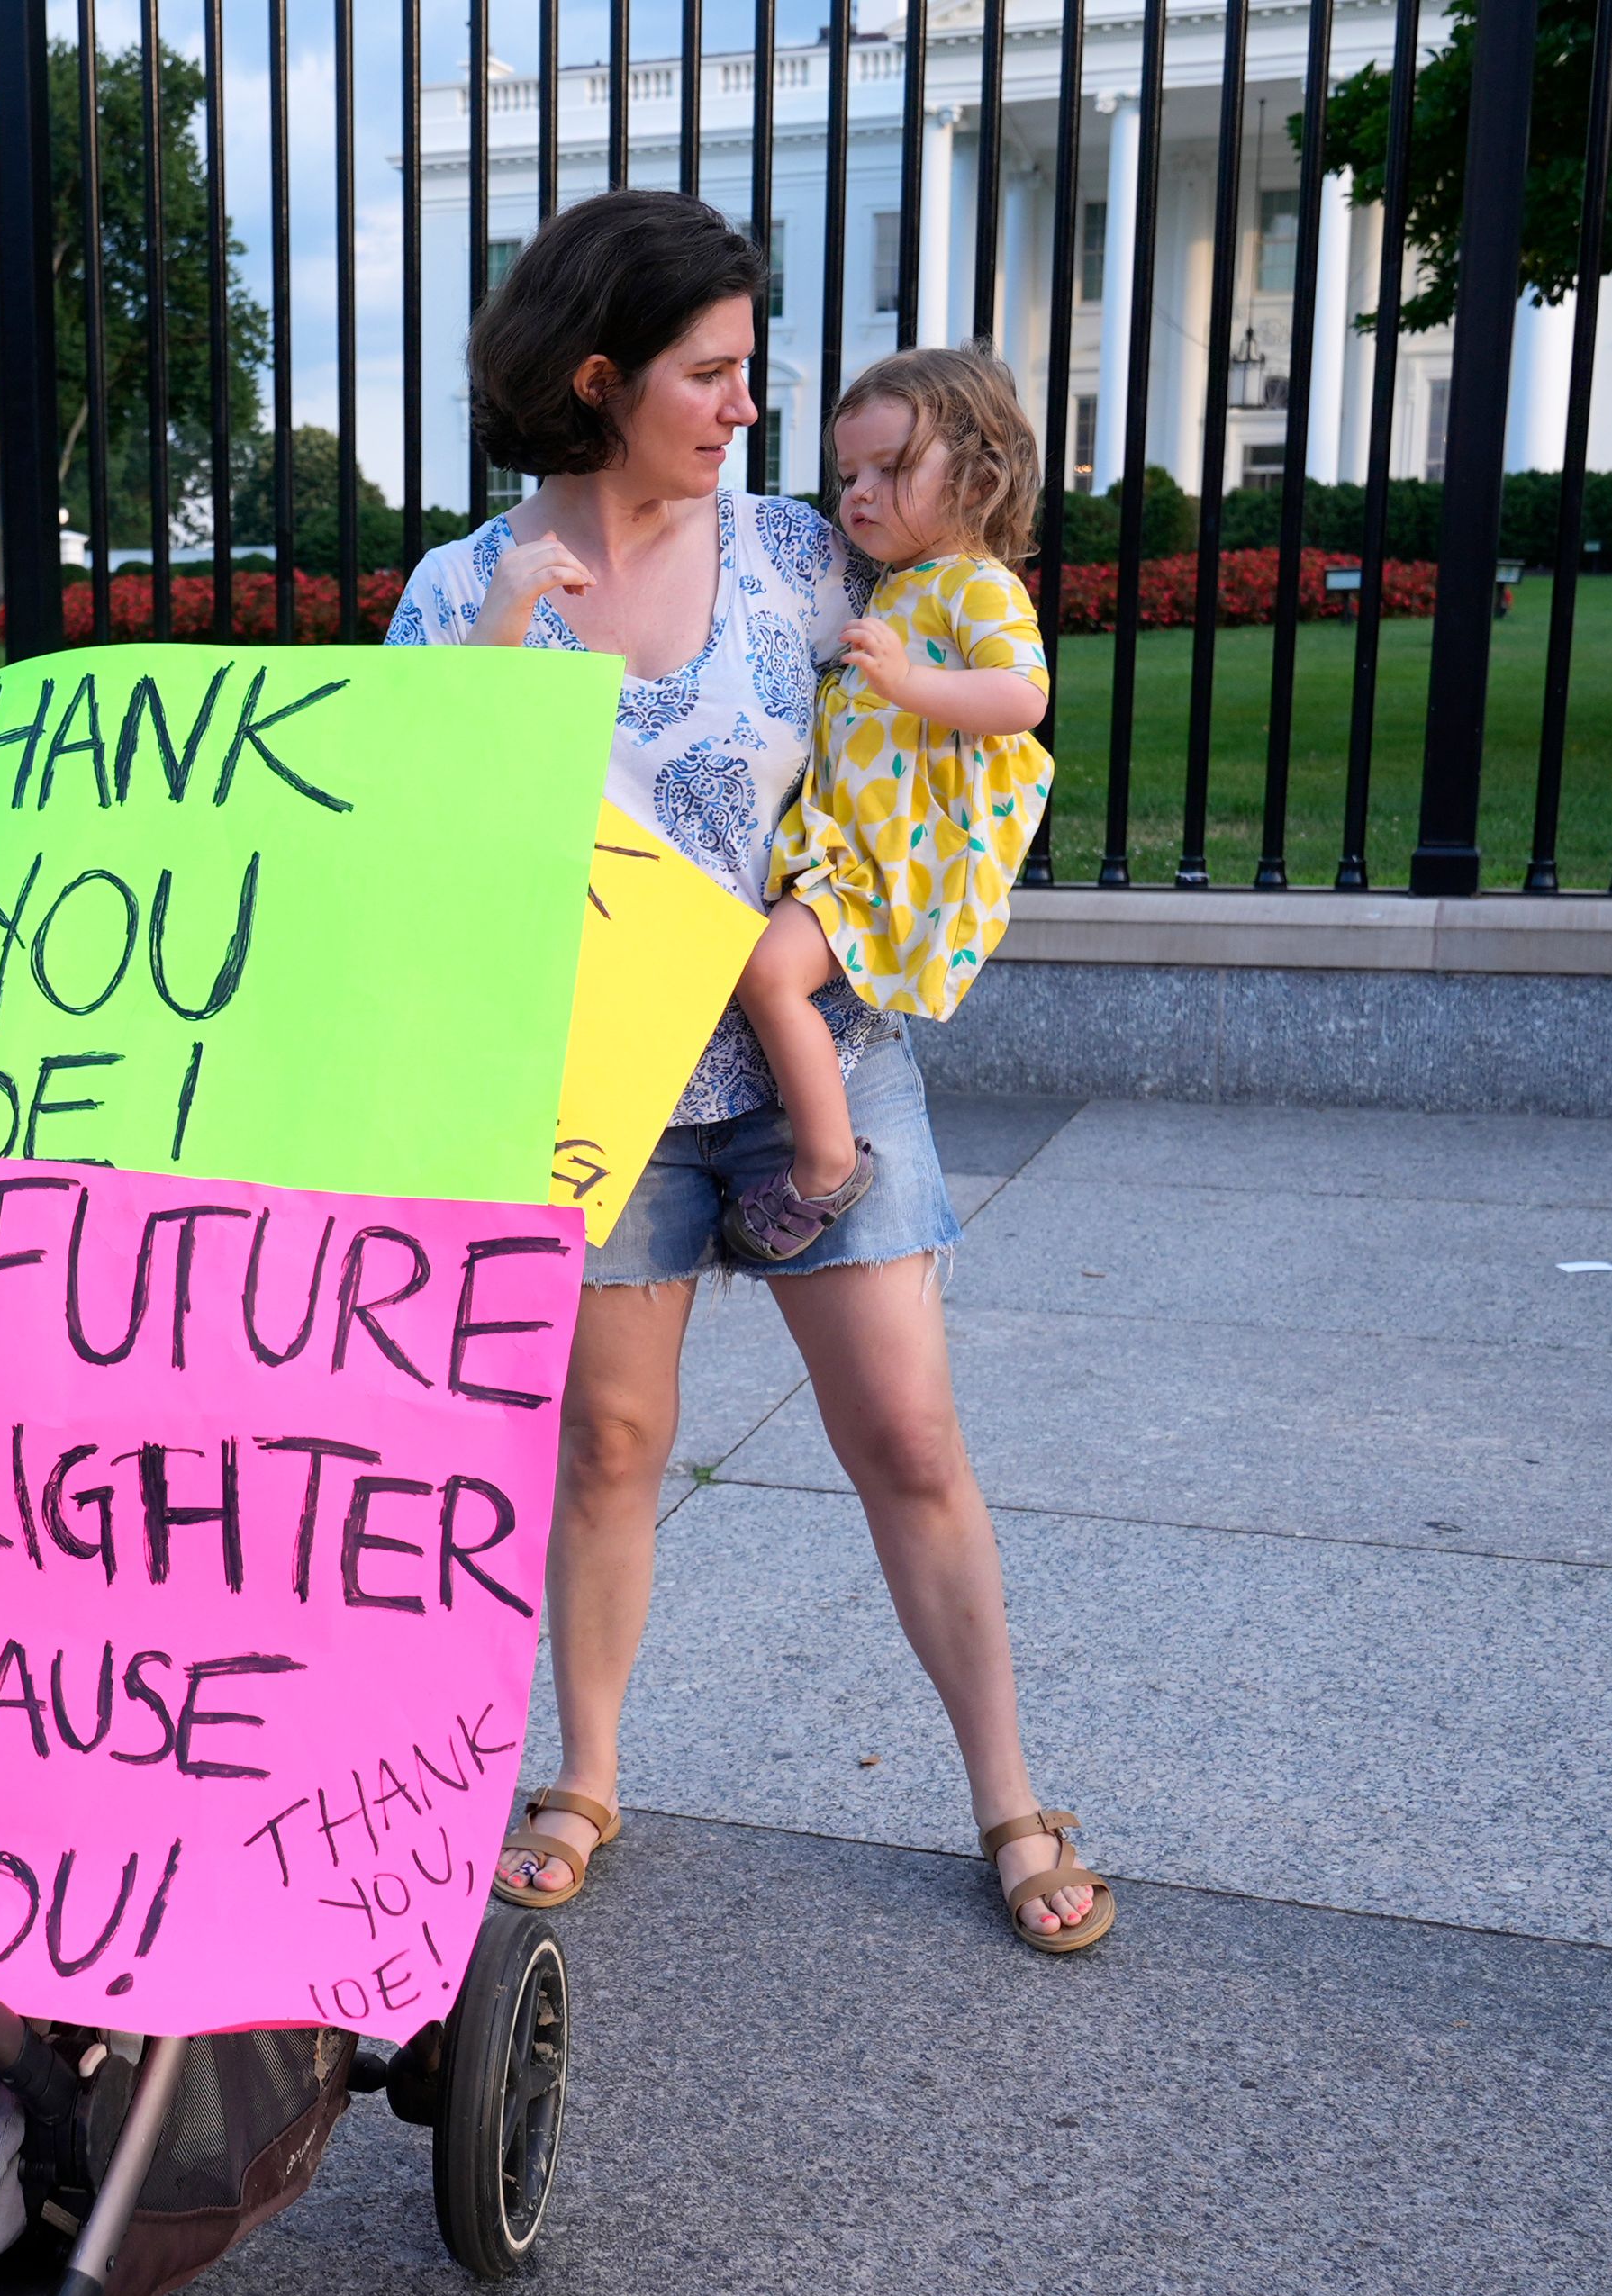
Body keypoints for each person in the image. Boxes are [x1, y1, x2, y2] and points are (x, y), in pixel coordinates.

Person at [384, 189, 1111, 1952]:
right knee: (611, 1443)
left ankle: (1010, 1793)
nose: (744, 409)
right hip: (603, 1097)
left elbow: (985, 632)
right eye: (708, 374)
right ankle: (590, 1772)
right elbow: (412, 851)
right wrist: (493, 663)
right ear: (598, 375)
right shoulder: (463, 587)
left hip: (820, 1065)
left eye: (748, 373)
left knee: (912, 1438)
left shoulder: (804, 551)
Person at [724, 346, 1055, 1262]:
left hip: (891, 864)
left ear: (980, 472)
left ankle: (827, 1164)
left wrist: (909, 682)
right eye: (848, 473)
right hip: (852, 851)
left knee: (768, 971)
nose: (859, 493)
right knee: (767, 969)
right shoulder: (897, 583)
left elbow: (1022, 699)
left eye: (892, 468)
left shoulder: (976, 584)